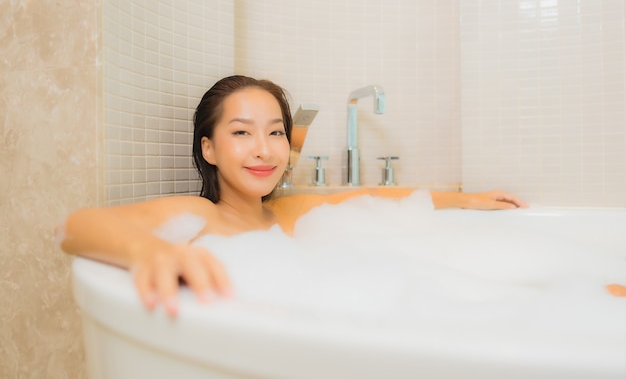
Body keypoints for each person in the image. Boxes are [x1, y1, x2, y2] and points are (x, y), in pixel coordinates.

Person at [56, 75, 530, 317]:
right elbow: (76, 226)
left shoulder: (287, 215)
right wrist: (149, 250)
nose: (264, 150)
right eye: (242, 132)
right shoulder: (198, 213)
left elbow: (377, 199)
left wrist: (468, 200)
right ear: (209, 148)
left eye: (276, 133)